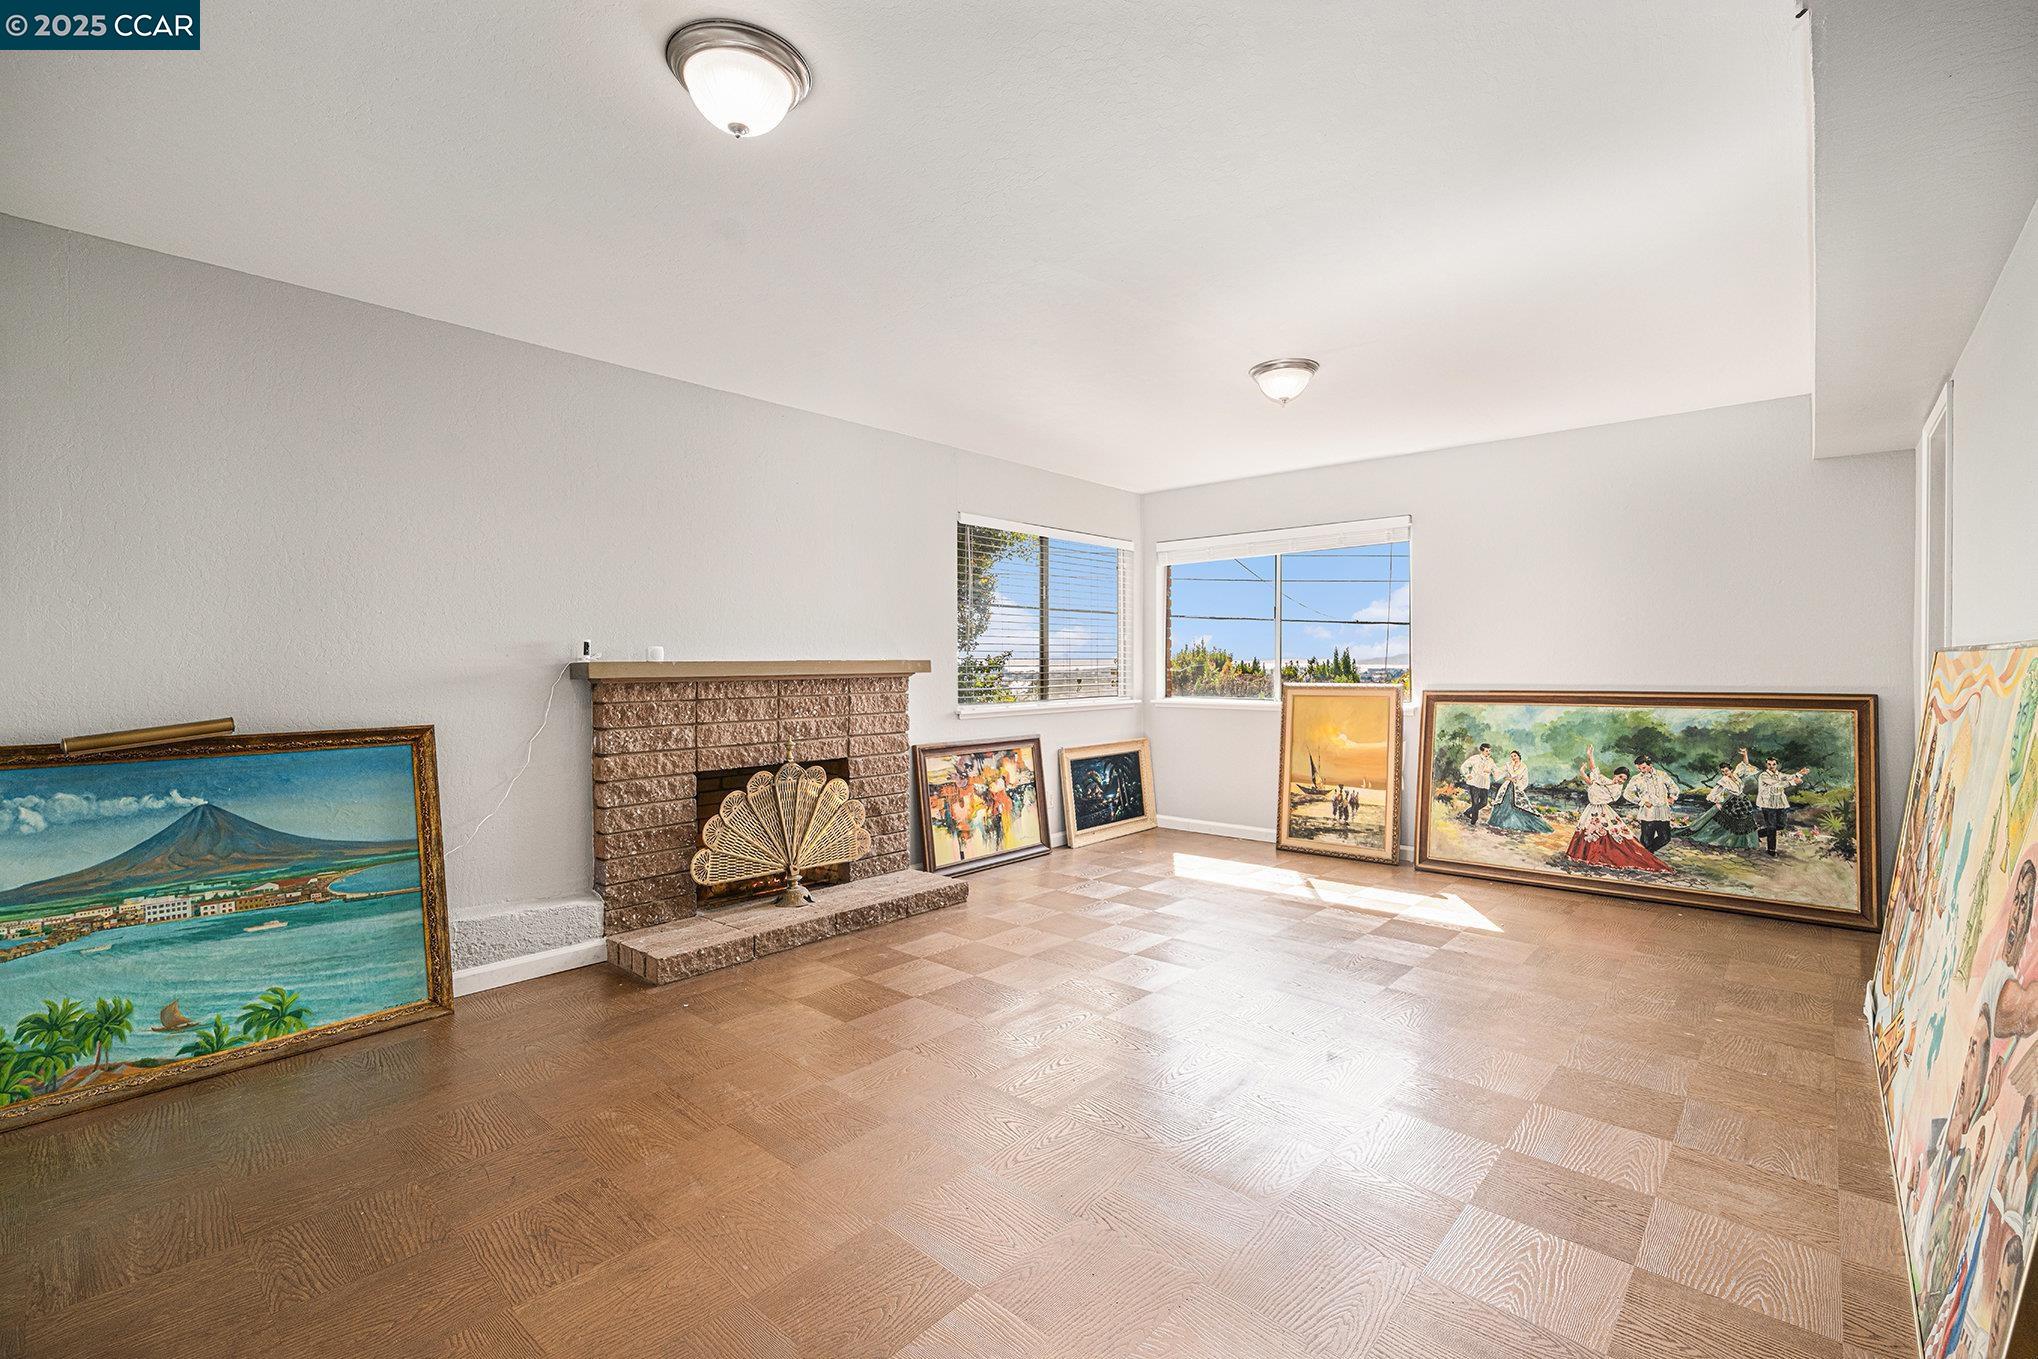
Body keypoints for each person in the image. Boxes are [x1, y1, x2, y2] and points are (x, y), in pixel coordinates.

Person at [1563, 745, 1670, 871]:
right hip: (1591, 810)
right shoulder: (1603, 779)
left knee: (1607, 834)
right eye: (1620, 777)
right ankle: (1586, 856)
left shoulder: (1617, 790)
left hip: (1602, 811)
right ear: (1615, 774)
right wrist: (1589, 757)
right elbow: (1592, 776)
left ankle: (1601, 856)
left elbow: (1596, 788)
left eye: (1624, 780)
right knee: (1587, 832)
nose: (1621, 781)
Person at [1685, 757, 1760, 850]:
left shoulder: (1736, 775)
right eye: (1723, 772)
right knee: (1732, 822)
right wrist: (1717, 803)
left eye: (1726, 771)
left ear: (1731, 770)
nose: (1725, 773)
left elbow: (1745, 765)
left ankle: (1747, 842)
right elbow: (1716, 791)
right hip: (1733, 801)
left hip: (1743, 801)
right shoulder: (1724, 780)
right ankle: (1730, 841)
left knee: (1746, 820)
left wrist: (1745, 754)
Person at [1753, 753, 1810, 856]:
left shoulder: (1779, 775)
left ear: (1776, 765)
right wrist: (1793, 782)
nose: (1771, 766)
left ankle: (1757, 834)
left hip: (1780, 804)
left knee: (1781, 825)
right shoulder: (1763, 776)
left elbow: (1788, 777)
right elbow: (1776, 784)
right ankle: (1771, 850)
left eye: (1773, 764)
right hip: (1768, 804)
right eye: (1769, 764)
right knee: (1771, 827)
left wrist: (1800, 773)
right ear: (1766, 765)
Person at [1623, 756, 1681, 855]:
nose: (1642, 770)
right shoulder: (1636, 779)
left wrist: (1672, 798)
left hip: (1662, 812)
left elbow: (1673, 787)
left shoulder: (1662, 775)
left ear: (1650, 765)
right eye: (1639, 768)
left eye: (1644, 768)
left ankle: (1647, 855)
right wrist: (1642, 802)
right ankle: (1646, 858)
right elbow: (1627, 794)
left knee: (1665, 838)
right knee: (1646, 841)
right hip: (1648, 813)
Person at [1485, 750, 1551, 832]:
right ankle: (1501, 823)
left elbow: (1524, 779)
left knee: (1518, 805)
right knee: (1503, 804)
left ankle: (1518, 824)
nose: (1513, 758)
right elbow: (1499, 771)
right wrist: (1492, 766)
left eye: (1515, 756)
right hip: (1507, 787)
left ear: (1519, 756)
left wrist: (1517, 783)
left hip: (1516, 788)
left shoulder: (1523, 766)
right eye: (1512, 756)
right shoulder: (1508, 765)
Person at [1459, 743, 1497, 825]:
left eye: (1490, 751)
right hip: (1475, 783)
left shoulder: (1491, 761)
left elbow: (1495, 771)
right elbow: (1464, 766)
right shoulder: (1475, 758)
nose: (1489, 752)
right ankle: (1473, 821)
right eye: (1487, 751)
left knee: (1484, 803)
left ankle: (1467, 812)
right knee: (1475, 803)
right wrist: (1467, 775)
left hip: (1485, 784)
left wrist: (1491, 771)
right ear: (1482, 751)